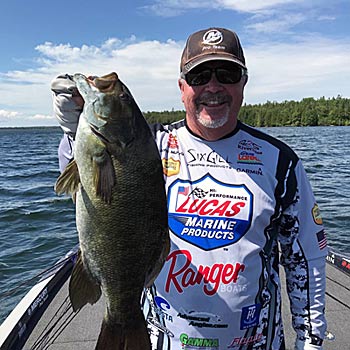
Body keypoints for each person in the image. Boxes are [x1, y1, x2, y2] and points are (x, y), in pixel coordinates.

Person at [51, 27, 328, 350]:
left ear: (243, 83)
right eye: (199, 76)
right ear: (182, 87)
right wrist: (73, 132)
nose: (213, 86)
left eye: (227, 73)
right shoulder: (150, 145)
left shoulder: (280, 163)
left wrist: (310, 342)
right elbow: (91, 186)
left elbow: (305, 259)